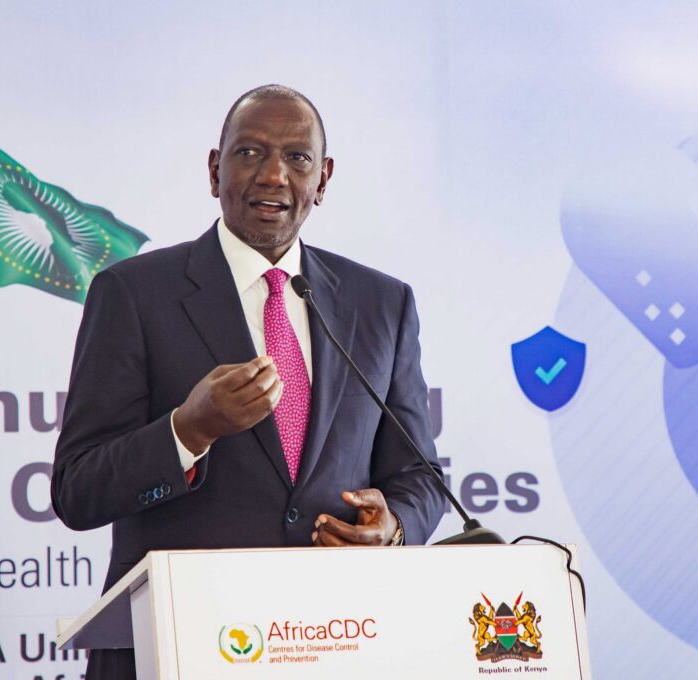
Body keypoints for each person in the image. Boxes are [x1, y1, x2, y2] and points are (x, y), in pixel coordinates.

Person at [51, 84, 445, 678]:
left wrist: (393, 529)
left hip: (337, 643)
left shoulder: (381, 304)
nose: (274, 176)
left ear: (323, 179)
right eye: (250, 153)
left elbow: (419, 475)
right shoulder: (133, 294)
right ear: (215, 170)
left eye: (297, 158)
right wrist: (188, 431)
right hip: (181, 646)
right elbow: (78, 490)